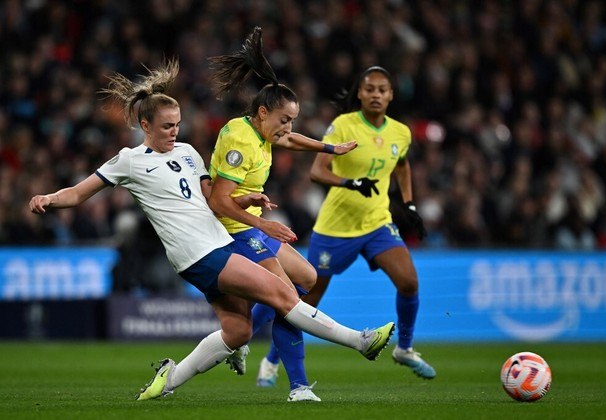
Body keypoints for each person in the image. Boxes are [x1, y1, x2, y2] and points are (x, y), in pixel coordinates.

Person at [28, 59, 395, 401]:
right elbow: (78, 193)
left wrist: (246, 199)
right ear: (145, 126)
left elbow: (209, 195)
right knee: (283, 294)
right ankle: (359, 342)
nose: (174, 132)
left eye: (177, 124)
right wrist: (49, 197)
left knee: (238, 332)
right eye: (166, 126)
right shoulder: (129, 160)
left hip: (217, 242)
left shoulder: (187, 151)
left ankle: (168, 381)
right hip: (198, 253)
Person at [256, 66, 436, 384]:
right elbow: (317, 171)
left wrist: (408, 204)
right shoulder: (344, 125)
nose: (376, 94)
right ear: (361, 93)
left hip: (377, 223)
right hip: (336, 228)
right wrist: (351, 183)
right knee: (306, 299)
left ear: (391, 95)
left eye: (383, 89)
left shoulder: (400, 132)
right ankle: (272, 359)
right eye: (370, 89)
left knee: (409, 281)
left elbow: (403, 165)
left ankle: (405, 348)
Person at [206, 27, 357, 402]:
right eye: (285, 119)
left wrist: (330, 147)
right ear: (261, 113)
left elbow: (290, 139)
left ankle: (242, 338)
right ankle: (299, 387)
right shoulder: (240, 140)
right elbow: (219, 201)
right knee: (288, 294)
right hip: (231, 229)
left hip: (249, 226)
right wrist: (263, 222)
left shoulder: (263, 133)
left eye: (293, 120)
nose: (289, 129)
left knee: (306, 277)